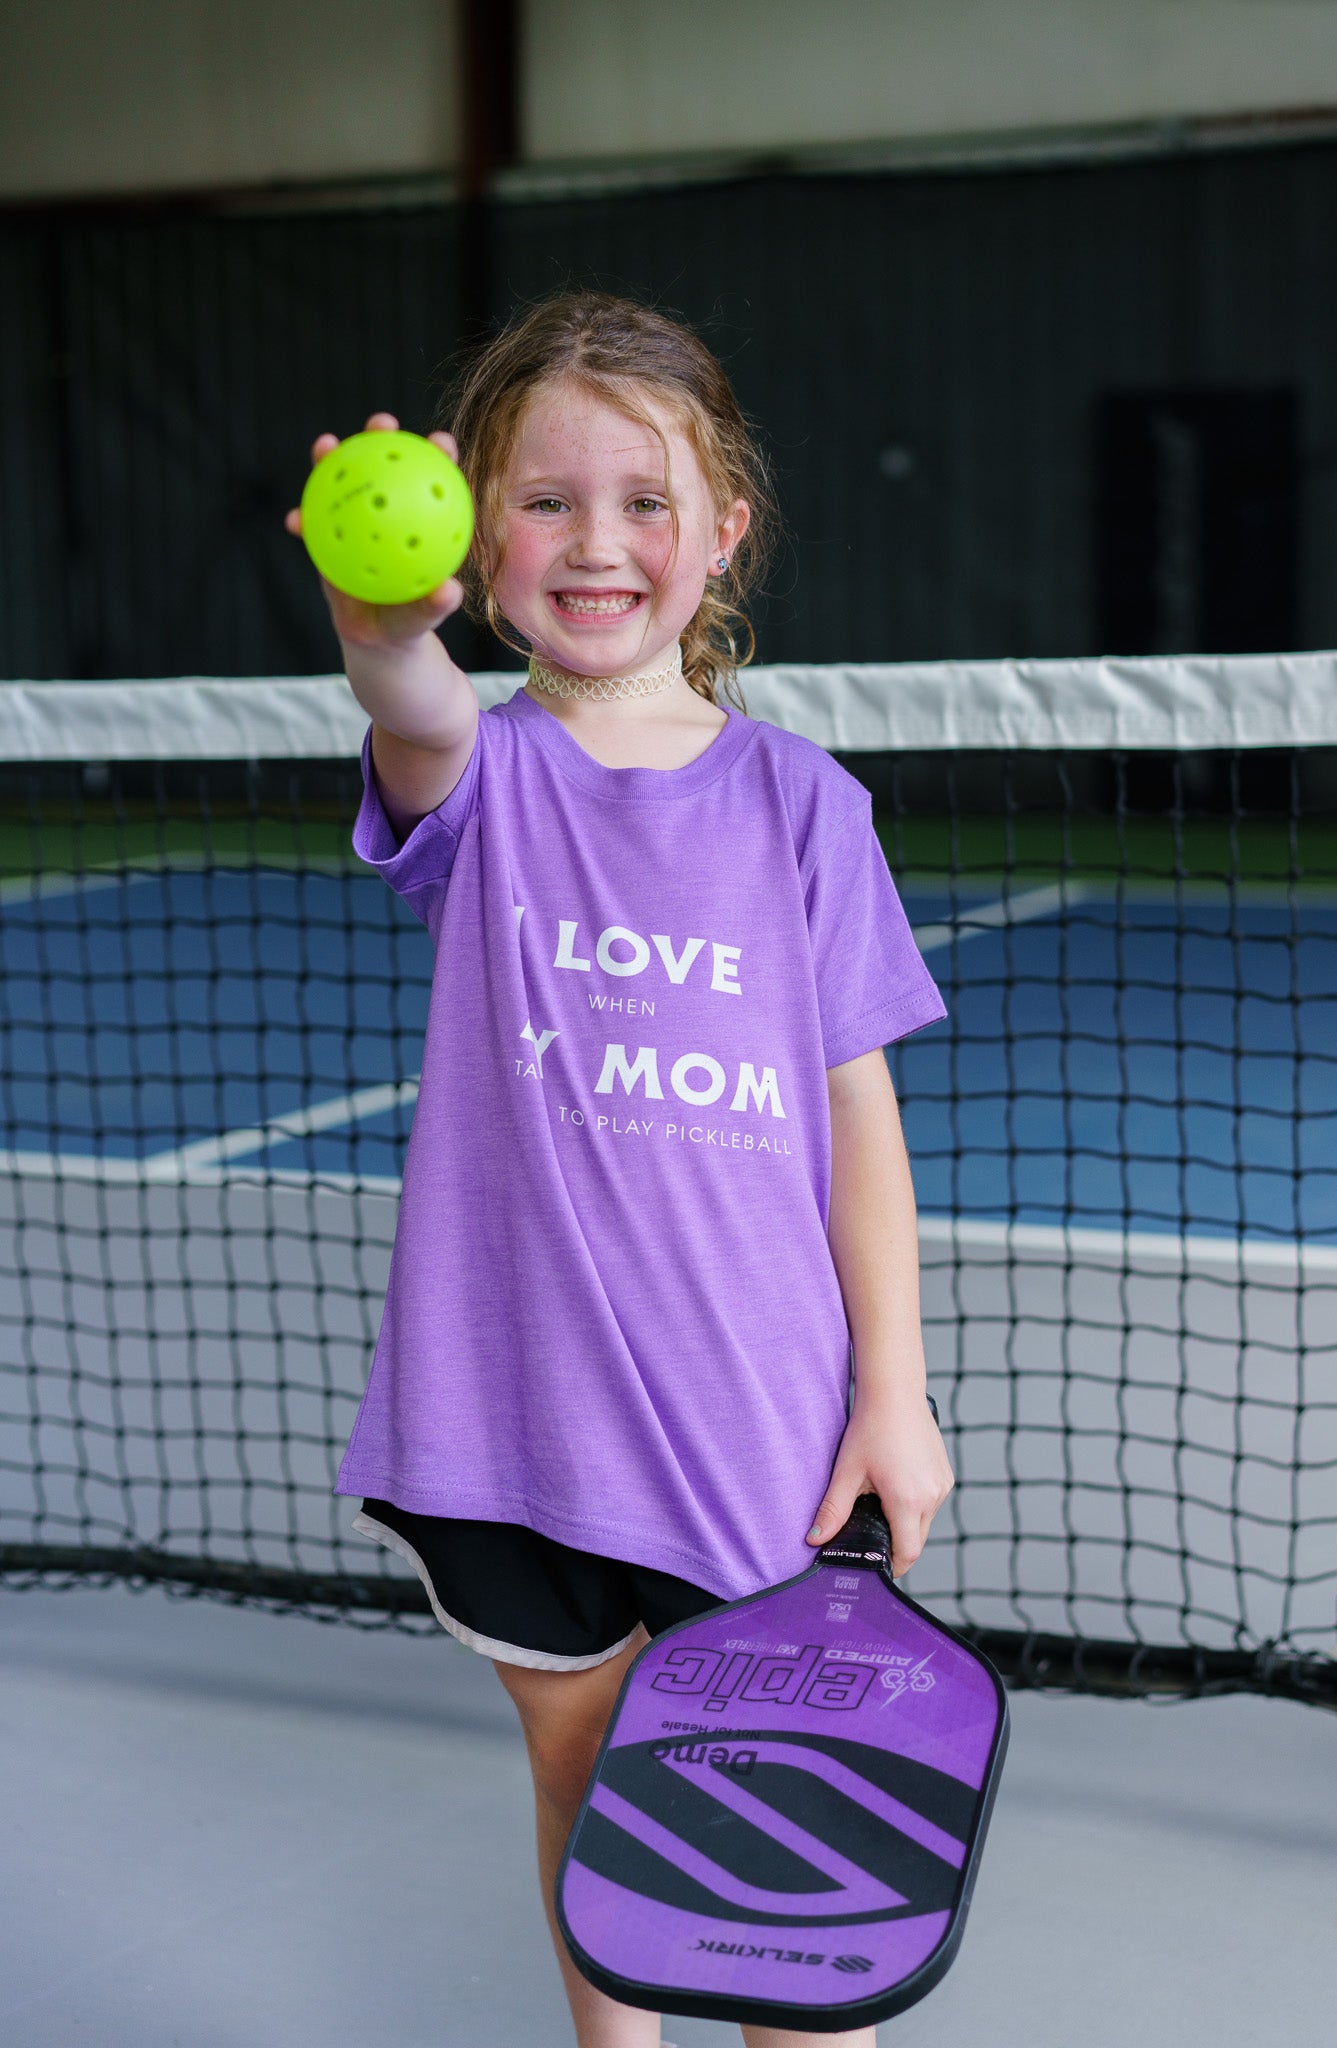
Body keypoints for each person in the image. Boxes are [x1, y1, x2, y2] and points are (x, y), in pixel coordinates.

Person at [286, 290, 955, 2048]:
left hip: (761, 1436)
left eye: (645, 502)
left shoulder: (805, 808)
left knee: (781, 1846)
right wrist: (376, 624)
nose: (597, 545)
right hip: (517, 1426)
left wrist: (892, 1392)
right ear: (481, 532)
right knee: (593, 1806)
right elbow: (409, 703)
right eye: (547, 500)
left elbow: (857, 1128)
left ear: (723, 531)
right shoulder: (483, 782)